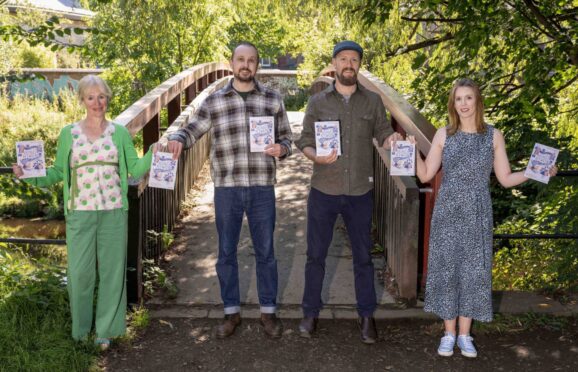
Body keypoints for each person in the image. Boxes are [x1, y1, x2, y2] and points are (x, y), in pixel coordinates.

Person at [408, 78, 557, 358]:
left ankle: (465, 335)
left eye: (468, 98)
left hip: (478, 211)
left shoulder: (493, 135)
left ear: (477, 101)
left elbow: (505, 178)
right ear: (453, 103)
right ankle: (448, 333)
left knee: (473, 271)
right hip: (448, 211)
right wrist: (411, 151)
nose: (463, 104)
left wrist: (536, 171)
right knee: (447, 269)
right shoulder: (444, 134)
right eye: (458, 99)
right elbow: (426, 174)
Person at [12, 75, 155, 350]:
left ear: (107, 98)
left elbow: (135, 169)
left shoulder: (120, 133)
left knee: (113, 273)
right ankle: (80, 331)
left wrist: (153, 150)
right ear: (82, 100)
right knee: (80, 274)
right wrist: (27, 175)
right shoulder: (69, 133)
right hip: (79, 212)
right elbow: (56, 172)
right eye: (91, 97)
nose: (97, 102)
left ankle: (106, 330)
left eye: (101, 96)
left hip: (113, 212)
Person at [166, 42, 292, 339]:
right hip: (227, 189)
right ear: (231, 63)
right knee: (225, 253)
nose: (245, 65)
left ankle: (269, 313)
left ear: (257, 65)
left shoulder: (272, 99)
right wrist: (175, 137)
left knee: (266, 253)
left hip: (262, 187)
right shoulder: (215, 100)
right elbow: (192, 129)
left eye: (251, 60)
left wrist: (281, 148)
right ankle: (231, 312)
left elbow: (287, 137)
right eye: (240, 60)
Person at [295, 40, 402, 344]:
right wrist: (314, 155)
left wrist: (391, 138)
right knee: (315, 255)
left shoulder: (372, 101)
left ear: (359, 66)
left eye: (354, 60)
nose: (349, 64)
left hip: (359, 192)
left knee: (364, 258)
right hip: (323, 190)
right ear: (334, 63)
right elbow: (303, 139)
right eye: (343, 59)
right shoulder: (318, 102)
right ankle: (310, 312)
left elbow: (382, 133)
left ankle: (366, 316)